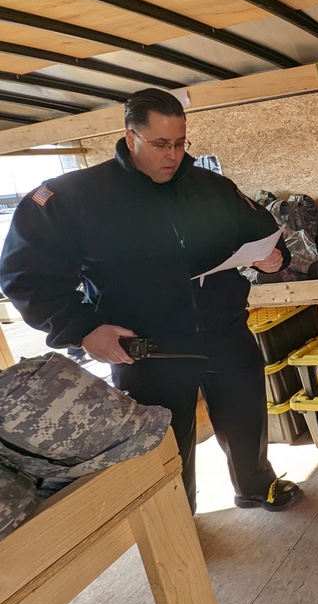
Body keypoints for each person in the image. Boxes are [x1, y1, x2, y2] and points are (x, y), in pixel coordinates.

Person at [0, 88, 302, 514]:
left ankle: (255, 485)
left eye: (180, 143)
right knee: (165, 444)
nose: (173, 155)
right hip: (147, 348)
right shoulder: (71, 198)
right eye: (161, 144)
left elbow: (260, 230)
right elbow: (25, 277)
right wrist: (82, 330)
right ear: (130, 137)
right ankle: (178, 521)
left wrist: (275, 258)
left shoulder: (212, 187)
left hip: (224, 331)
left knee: (246, 417)